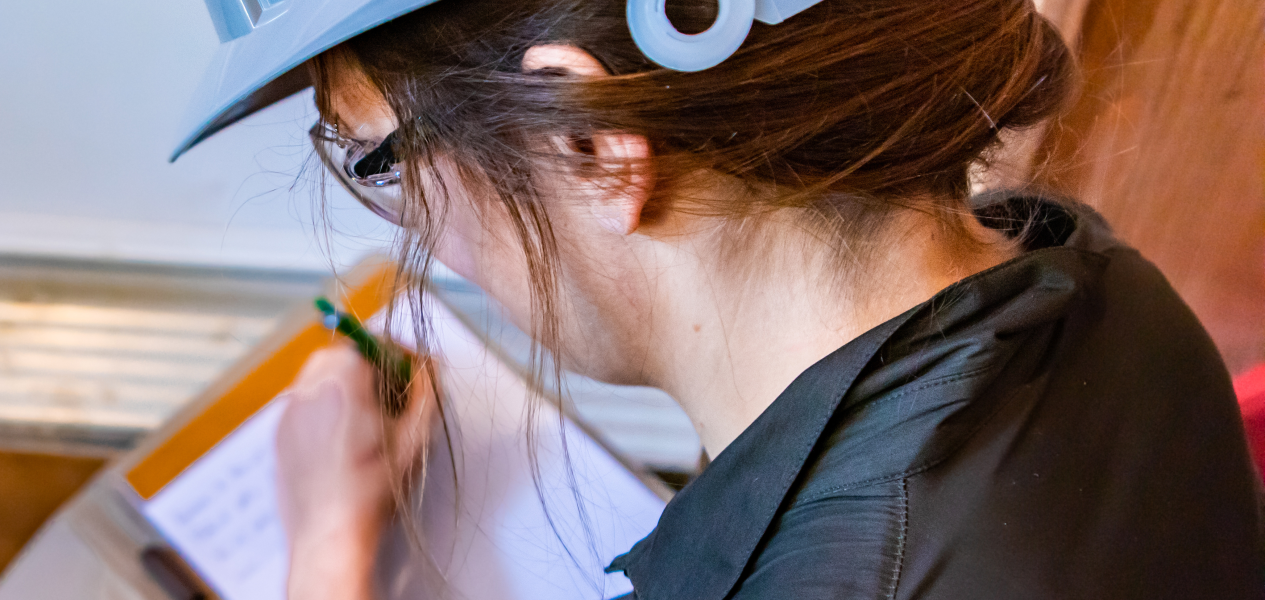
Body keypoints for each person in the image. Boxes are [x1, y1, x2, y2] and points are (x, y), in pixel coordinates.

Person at [169, 0, 1265, 598]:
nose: (415, 229)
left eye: (377, 163)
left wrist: (323, 557)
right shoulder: (1100, 290)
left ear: (584, 142)